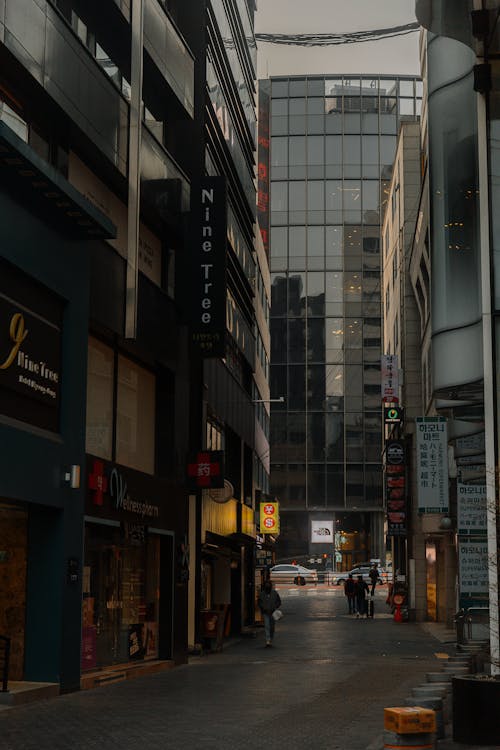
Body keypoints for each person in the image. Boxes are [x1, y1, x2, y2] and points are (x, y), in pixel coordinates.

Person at [258, 579, 282, 646]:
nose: (267, 586)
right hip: (265, 612)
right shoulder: (262, 594)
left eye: (268, 585)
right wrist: (263, 608)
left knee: (272, 627)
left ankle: (270, 638)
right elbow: (259, 603)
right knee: (267, 626)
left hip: (273, 612)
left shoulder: (274, 593)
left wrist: (275, 607)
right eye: (266, 585)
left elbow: (279, 602)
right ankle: (267, 640)